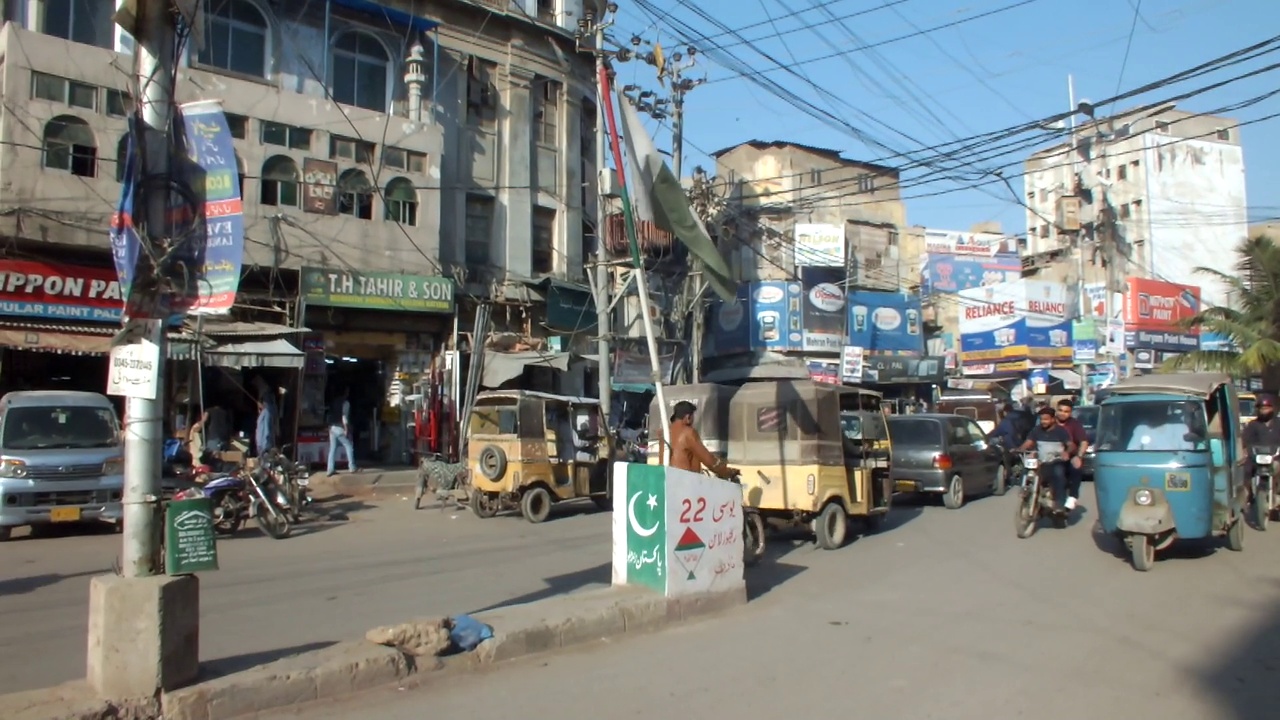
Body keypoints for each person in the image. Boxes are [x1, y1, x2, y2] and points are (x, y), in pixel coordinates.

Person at [1019, 406, 1077, 512]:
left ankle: (1059, 503)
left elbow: (1071, 445)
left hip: (1056, 462)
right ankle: (1025, 491)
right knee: (1026, 470)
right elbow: (1028, 443)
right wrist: (1020, 449)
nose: (1043, 421)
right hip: (1041, 463)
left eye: (1046, 419)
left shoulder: (1061, 431)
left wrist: (1066, 452)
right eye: (1041, 419)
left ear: (1053, 419)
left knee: (1058, 474)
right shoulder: (1036, 430)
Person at [666, 401, 738, 479]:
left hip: (665, 480)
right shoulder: (688, 433)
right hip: (685, 481)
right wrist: (728, 472)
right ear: (688, 417)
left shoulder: (664, 432)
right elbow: (709, 461)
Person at [1055, 399, 1090, 510]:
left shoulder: (1075, 424)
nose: (1062, 413)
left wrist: (1079, 456)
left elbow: (1083, 442)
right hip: (1048, 456)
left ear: (1070, 413)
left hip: (1068, 457)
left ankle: (1072, 496)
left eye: (1066, 411)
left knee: (1075, 467)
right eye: (1060, 410)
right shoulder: (1048, 422)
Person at [1243, 395, 1280, 483]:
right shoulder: (1253, 425)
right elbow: (1247, 440)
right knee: (1247, 469)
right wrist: (1247, 450)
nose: (1264, 411)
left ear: (1272, 409)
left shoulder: (1278, 423)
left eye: (1266, 408)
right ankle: (1249, 492)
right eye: (1262, 409)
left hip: (1276, 457)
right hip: (1258, 458)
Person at [326, 386, 358, 477]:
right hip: (340, 427)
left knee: (332, 449)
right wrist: (346, 429)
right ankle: (352, 467)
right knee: (348, 446)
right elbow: (344, 416)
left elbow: (329, 414)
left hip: (332, 427)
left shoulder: (334, 402)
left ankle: (330, 469)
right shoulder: (345, 403)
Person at [252, 376, 277, 457]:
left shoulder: (266, 413)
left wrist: (264, 447)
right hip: (262, 447)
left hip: (264, 447)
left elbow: (266, 431)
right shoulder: (264, 414)